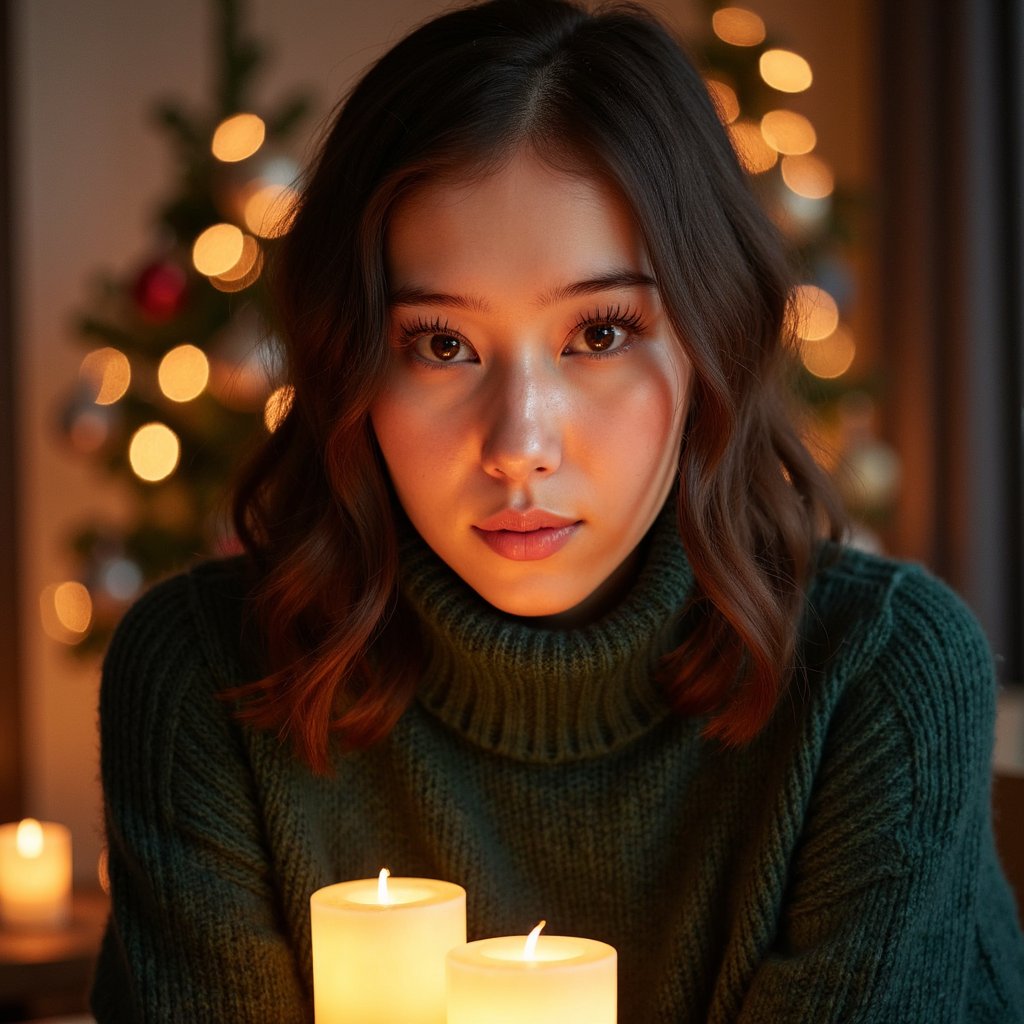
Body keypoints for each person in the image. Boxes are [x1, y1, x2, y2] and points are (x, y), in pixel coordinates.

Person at [90, 0, 1024, 1020]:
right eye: (440, 344)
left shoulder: (877, 681)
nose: (520, 444)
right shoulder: (207, 683)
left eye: (602, 332)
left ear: (712, 338)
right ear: (349, 359)